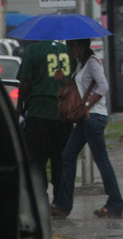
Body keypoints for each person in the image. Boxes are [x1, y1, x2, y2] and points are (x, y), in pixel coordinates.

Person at [51, 38, 123, 219]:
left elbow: (103, 86)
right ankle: (62, 204)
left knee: (101, 160)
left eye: (70, 46)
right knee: (68, 155)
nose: (68, 49)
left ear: (81, 46)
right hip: (85, 119)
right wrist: (64, 80)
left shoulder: (92, 63)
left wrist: (87, 106)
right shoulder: (80, 64)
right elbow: (79, 90)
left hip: (94, 117)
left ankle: (115, 203)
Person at [15, 40, 72, 203]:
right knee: (60, 159)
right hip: (63, 114)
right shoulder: (68, 51)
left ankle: (41, 199)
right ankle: (61, 201)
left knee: (37, 160)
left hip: (38, 112)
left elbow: (25, 82)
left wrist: (20, 107)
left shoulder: (33, 50)